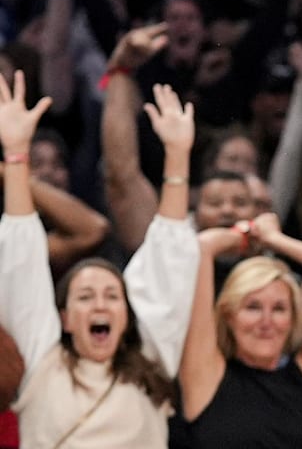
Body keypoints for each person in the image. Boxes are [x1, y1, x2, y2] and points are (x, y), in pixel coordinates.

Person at [0, 72, 200, 448]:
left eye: (111, 295)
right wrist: (15, 153)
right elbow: (21, 257)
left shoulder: (151, 362)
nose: (100, 304)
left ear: (127, 315)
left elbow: (170, 258)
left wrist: (177, 156)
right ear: (64, 318)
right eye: (86, 296)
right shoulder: (41, 359)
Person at [177, 210, 302, 448]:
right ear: (229, 316)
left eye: (279, 309)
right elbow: (203, 247)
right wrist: (246, 235)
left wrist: (275, 239)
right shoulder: (205, 374)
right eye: (253, 307)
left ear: (293, 319)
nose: (266, 322)